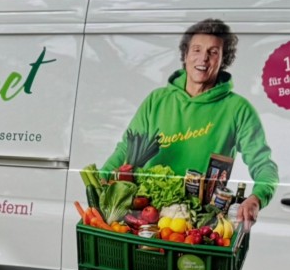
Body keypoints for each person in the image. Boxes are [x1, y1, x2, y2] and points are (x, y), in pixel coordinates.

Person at [105, 17, 278, 226]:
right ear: (185, 55)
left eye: (213, 52)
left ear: (223, 59)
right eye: (197, 50)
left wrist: (257, 198)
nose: (203, 58)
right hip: (145, 218)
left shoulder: (238, 109)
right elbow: (127, 148)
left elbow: (263, 164)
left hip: (199, 223)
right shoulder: (156, 100)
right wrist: (102, 178)